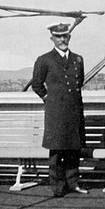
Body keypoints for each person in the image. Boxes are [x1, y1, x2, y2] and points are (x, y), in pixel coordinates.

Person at [32, 22, 88, 197]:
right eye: (58, 36)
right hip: (56, 112)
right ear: (52, 38)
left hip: (74, 111)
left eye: (65, 36)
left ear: (69, 37)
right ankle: (58, 186)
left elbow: (79, 82)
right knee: (56, 151)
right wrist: (49, 99)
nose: (62, 39)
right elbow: (37, 85)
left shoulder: (78, 59)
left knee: (73, 148)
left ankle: (73, 183)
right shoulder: (44, 60)